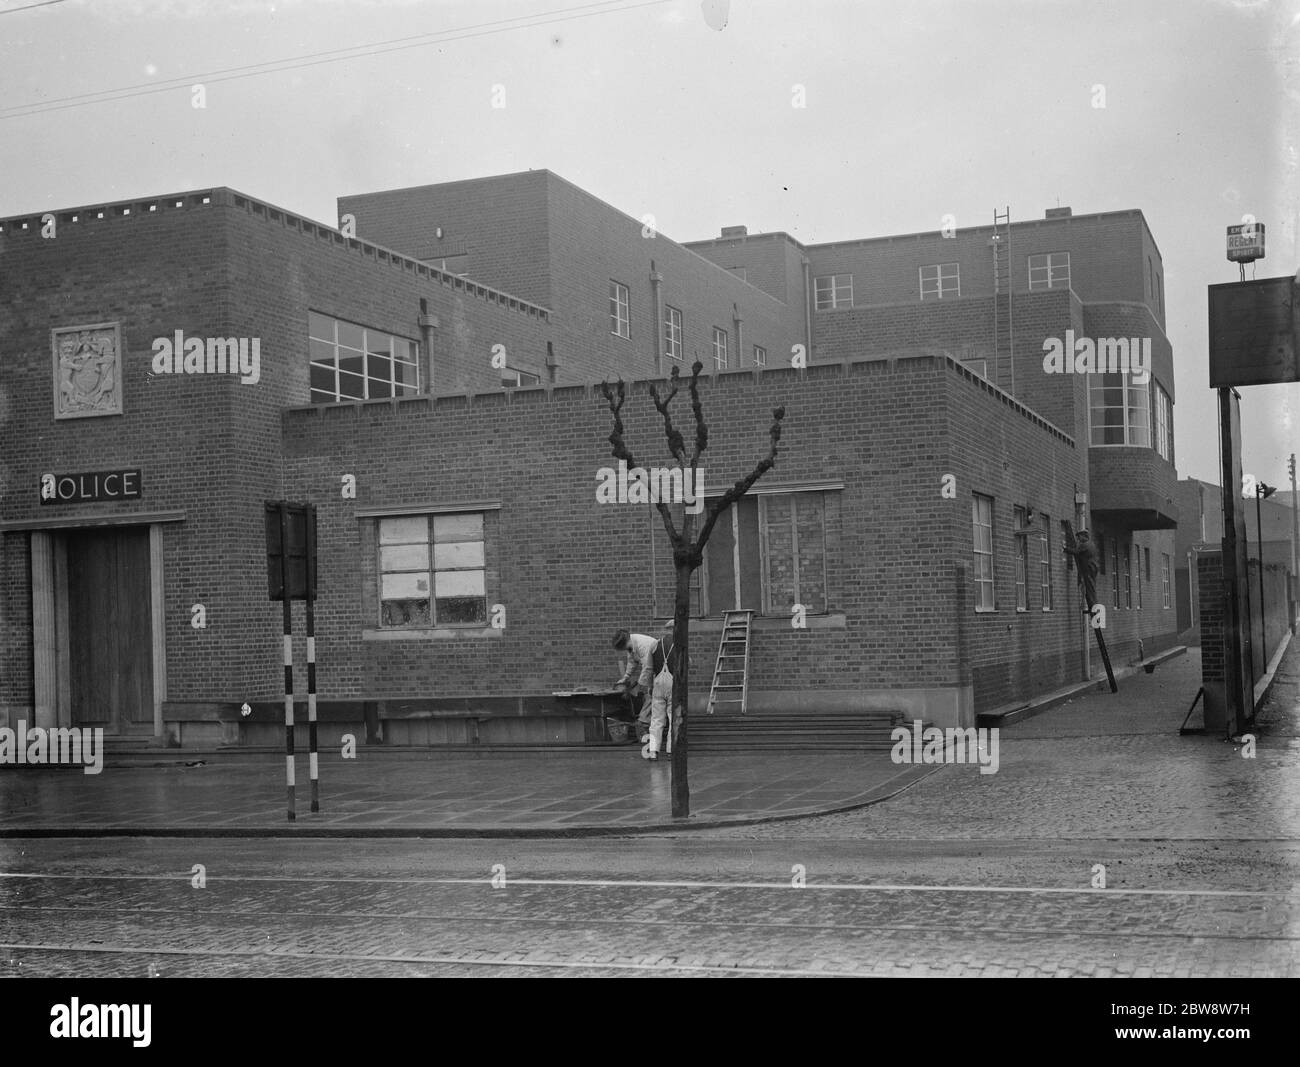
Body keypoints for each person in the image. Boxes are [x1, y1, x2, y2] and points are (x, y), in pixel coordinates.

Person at [643, 623, 680, 761]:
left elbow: (648, 668)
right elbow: (688, 662)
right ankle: (671, 750)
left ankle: (653, 751)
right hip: (673, 684)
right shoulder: (680, 645)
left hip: (657, 684)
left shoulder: (655, 645)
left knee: (656, 719)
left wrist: (649, 686)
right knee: (673, 718)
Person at [612, 628, 657, 737]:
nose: (624, 650)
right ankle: (645, 722)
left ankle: (644, 723)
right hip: (652, 669)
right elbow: (632, 662)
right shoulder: (631, 647)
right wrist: (626, 678)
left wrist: (640, 685)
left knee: (652, 695)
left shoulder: (642, 644)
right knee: (649, 695)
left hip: (660, 668)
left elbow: (648, 667)